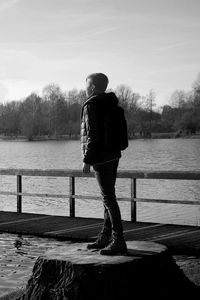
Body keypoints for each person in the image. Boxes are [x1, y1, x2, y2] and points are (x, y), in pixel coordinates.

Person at [81, 73, 127, 255]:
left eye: (86, 85)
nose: (84, 88)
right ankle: (106, 236)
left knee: (108, 198)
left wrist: (87, 160)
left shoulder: (91, 105)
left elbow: (93, 136)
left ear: (92, 87)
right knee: (108, 197)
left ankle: (119, 240)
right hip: (114, 155)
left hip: (100, 158)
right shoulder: (111, 103)